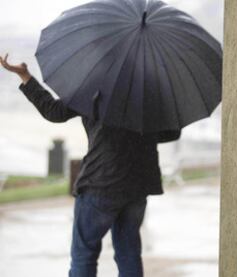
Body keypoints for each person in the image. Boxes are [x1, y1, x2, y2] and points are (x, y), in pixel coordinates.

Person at [0, 54, 180, 277]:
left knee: (84, 255)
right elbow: (171, 132)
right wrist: (139, 133)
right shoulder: (151, 89)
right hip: (138, 184)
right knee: (129, 253)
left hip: (101, 181)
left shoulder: (95, 85)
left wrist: (25, 75)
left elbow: (54, 112)